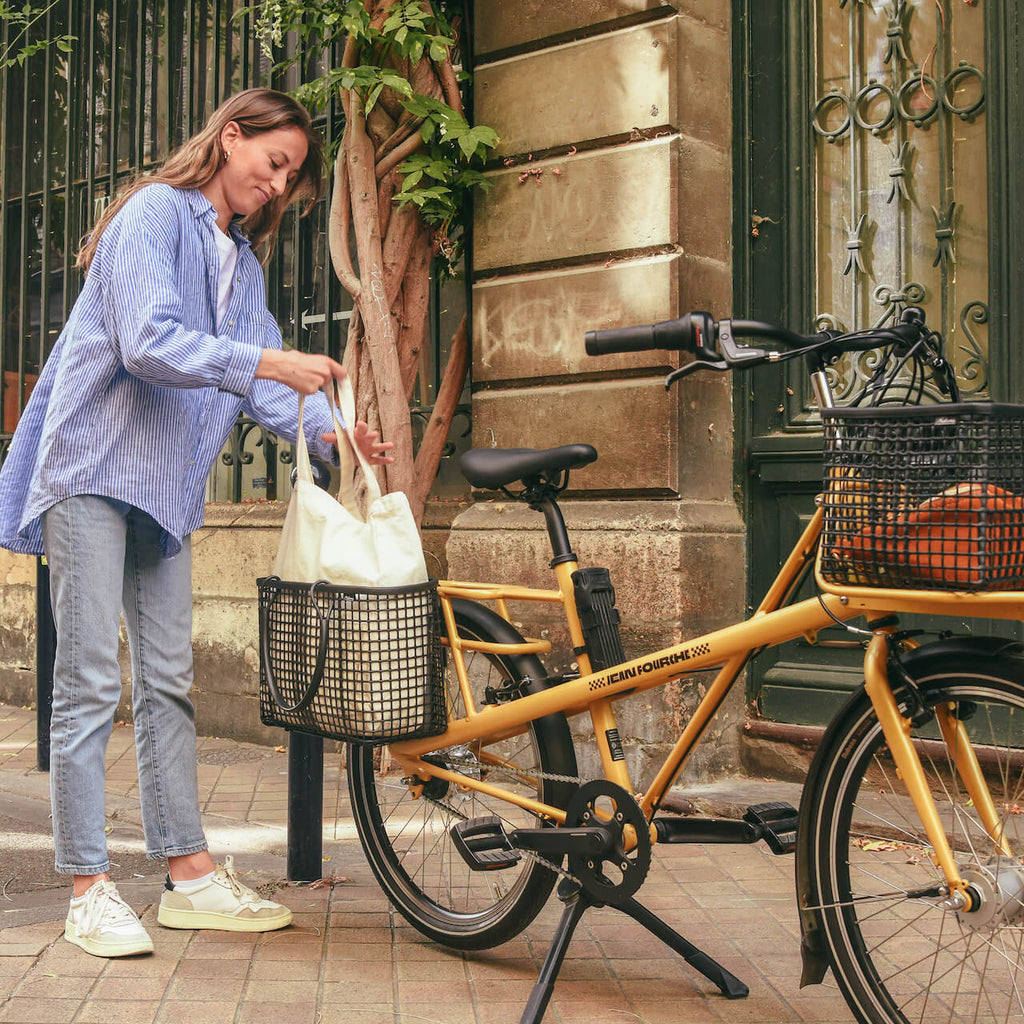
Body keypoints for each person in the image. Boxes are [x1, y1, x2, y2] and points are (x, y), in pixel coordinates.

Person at [0, 88, 393, 958]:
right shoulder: (153, 214)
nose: (278, 184)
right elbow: (147, 340)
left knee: (168, 682)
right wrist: (267, 357)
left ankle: (187, 876)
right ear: (229, 136)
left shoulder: (240, 267)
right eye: (273, 160)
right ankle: (88, 889)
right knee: (90, 683)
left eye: (291, 175)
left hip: (166, 492)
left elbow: (260, 385)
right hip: (94, 469)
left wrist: (335, 432)